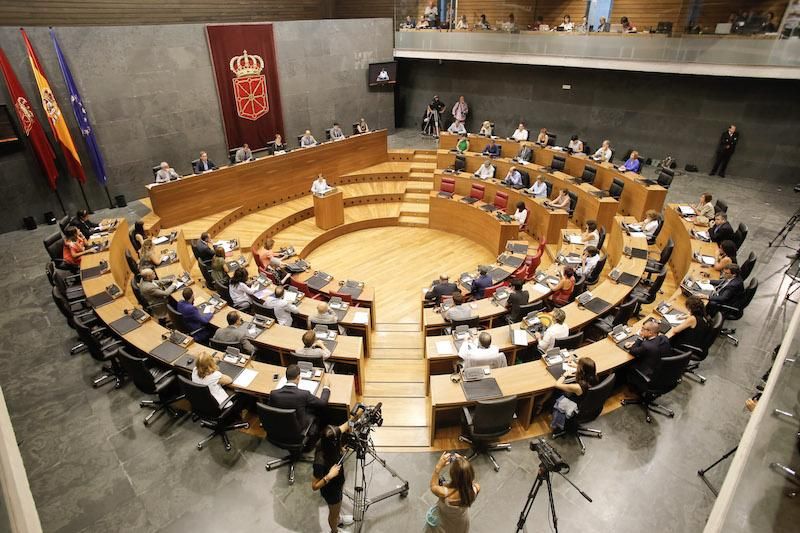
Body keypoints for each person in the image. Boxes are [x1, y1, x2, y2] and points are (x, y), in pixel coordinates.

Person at [311, 406, 364, 533]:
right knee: (333, 512)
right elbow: (314, 486)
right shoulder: (320, 461)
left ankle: (338, 519)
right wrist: (329, 476)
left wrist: (361, 412)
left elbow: (348, 423)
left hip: (338, 482)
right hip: (330, 490)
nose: (339, 441)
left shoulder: (332, 435)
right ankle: (334, 530)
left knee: (337, 509)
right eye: (337, 442)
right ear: (331, 444)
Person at [269, 364, 331, 443]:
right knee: (315, 411)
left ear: (286, 377)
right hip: (298, 431)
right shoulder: (303, 394)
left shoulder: (273, 394)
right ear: (298, 377)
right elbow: (322, 403)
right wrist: (326, 387)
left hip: (279, 428)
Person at [425, 452, 479, 533]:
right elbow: (472, 483)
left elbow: (433, 486)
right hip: (461, 522)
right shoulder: (475, 489)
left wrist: (438, 467)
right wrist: (463, 464)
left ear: (452, 474)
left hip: (444, 522)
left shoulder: (444, 493)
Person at [551, 357, 599, 430]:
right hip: (589, 406)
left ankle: (558, 423)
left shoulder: (577, 387)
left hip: (576, 408)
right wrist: (576, 366)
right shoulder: (594, 376)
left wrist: (565, 375)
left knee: (556, 392)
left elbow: (557, 385)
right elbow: (588, 370)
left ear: (581, 371)